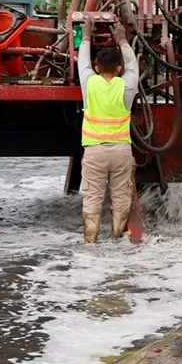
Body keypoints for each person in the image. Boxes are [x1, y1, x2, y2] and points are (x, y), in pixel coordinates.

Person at [78, 17, 139, 244]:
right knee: (121, 198)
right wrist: (122, 39)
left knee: (92, 199)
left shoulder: (89, 83)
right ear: (118, 69)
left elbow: (81, 63)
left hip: (95, 152)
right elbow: (133, 66)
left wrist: (85, 36)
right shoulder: (127, 85)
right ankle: (116, 241)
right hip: (121, 152)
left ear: (96, 68)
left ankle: (91, 244)